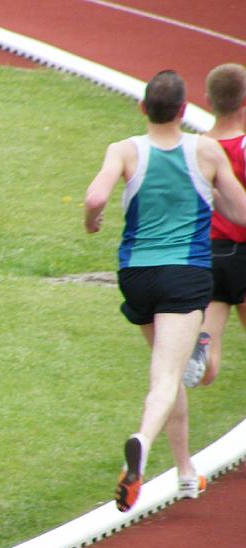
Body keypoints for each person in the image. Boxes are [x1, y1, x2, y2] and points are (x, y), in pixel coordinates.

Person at [83, 69, 246, 512]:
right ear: (183, 110)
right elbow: (240, 212)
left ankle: (186, 472)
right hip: (185, 274)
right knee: (166, 378)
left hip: (136, 275)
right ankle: (141, 440)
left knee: (168, 370)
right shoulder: (206, 150)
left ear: (143, 108)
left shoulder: (124, 150)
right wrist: (212, 195)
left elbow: (95, 199)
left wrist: (92, 223)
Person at [186, 63, 246, 387]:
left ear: (208, 100)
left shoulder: (194, 148)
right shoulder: (243, 146)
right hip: (244, 250)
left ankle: (203, 352)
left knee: (211, 356)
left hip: (210, 254)